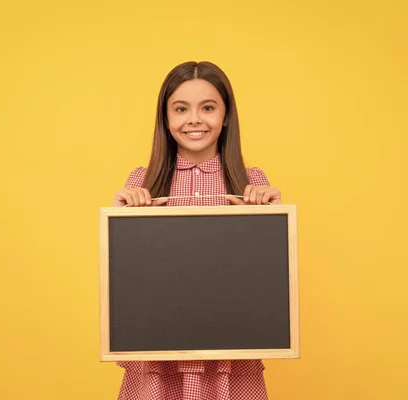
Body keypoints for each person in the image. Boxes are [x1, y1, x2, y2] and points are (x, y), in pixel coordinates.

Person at [113, 61, 282, 400]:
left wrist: (268, 220)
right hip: (159, 360)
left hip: (231, 358)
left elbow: (267, 289)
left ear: (226, 115)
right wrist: (121, 225)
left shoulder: (252, 185)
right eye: (180, 108)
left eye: (207, 107)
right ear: (165, 118)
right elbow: (128, 288)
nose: (194, 119)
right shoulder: (140, 184)